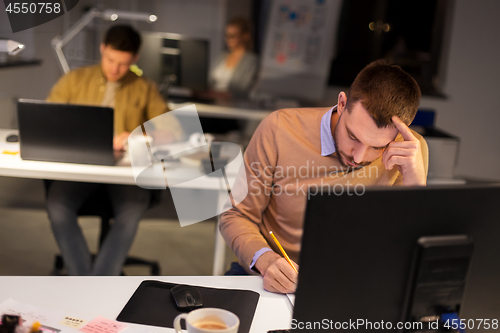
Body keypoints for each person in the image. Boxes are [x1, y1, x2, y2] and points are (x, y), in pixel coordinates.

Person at [219, 59, 429, 293]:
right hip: (271, 275)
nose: (358, 157)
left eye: (377, 147)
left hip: (352, 284)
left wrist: (416, 188)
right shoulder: (279, 129)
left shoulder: (410, 153)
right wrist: (265, 259)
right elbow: (235, 215)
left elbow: (408, 253)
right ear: (341, 103)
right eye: (353, 136)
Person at [46, 25, 183, 275]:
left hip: (126, 174)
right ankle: (84, 279)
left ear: (135, 59)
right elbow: (48, 119)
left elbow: (173, 130)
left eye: (123, 63)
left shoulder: (145, 88)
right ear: (102, 49)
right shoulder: (75, 80)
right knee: (57, 204)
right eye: (110, 59)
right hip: (81, 168)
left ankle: (100, 279)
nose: (115, 68)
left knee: (132, 210)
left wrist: (137, 135)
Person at [208, 17, 259, 99]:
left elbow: (243, 90)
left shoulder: (251, 60)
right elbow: (210, 81)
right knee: (185, 110)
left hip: (234, 105)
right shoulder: (222, 56)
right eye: (227, 36)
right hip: (213, 101)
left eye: (233, 36)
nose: (228, 39)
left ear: (245, 36)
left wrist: (218, 94)